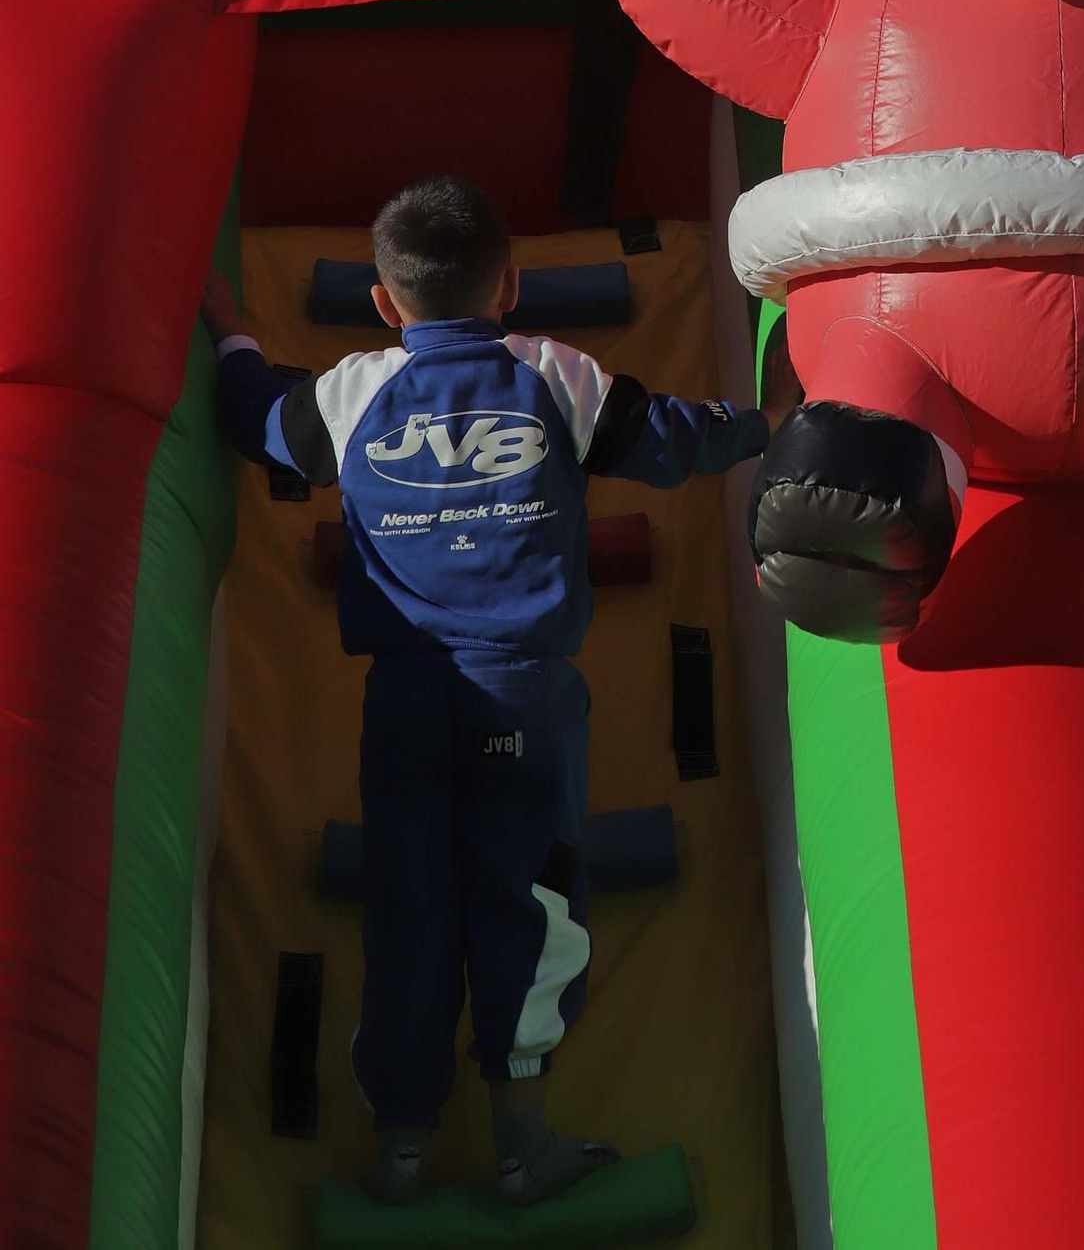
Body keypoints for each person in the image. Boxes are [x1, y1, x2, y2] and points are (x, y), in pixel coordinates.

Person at [201, 174, 786, 1208]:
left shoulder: (352, 389)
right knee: (533, 901)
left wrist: (234, 330)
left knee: (409, 904)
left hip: (405, 703)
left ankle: (402, 1149)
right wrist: (769, 421)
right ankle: (521, 1141)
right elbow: (675, 438)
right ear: (510, 286)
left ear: (383, 304)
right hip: (525, 697)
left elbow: (256, 420)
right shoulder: (555, 374)